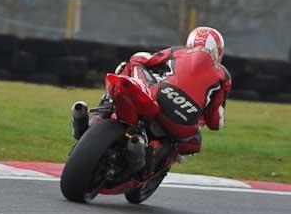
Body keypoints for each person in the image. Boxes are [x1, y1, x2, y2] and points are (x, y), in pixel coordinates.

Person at [71, 27, 231, 155]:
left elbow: (143, 59)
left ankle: (98, 116)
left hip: (158, 99)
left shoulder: (178, 51)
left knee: (127, 66)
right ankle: (147, 153)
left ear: (190, 42)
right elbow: (215, 122)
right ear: (218, 51)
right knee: (193, 141)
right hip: (182, 126)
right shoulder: (223, 75)